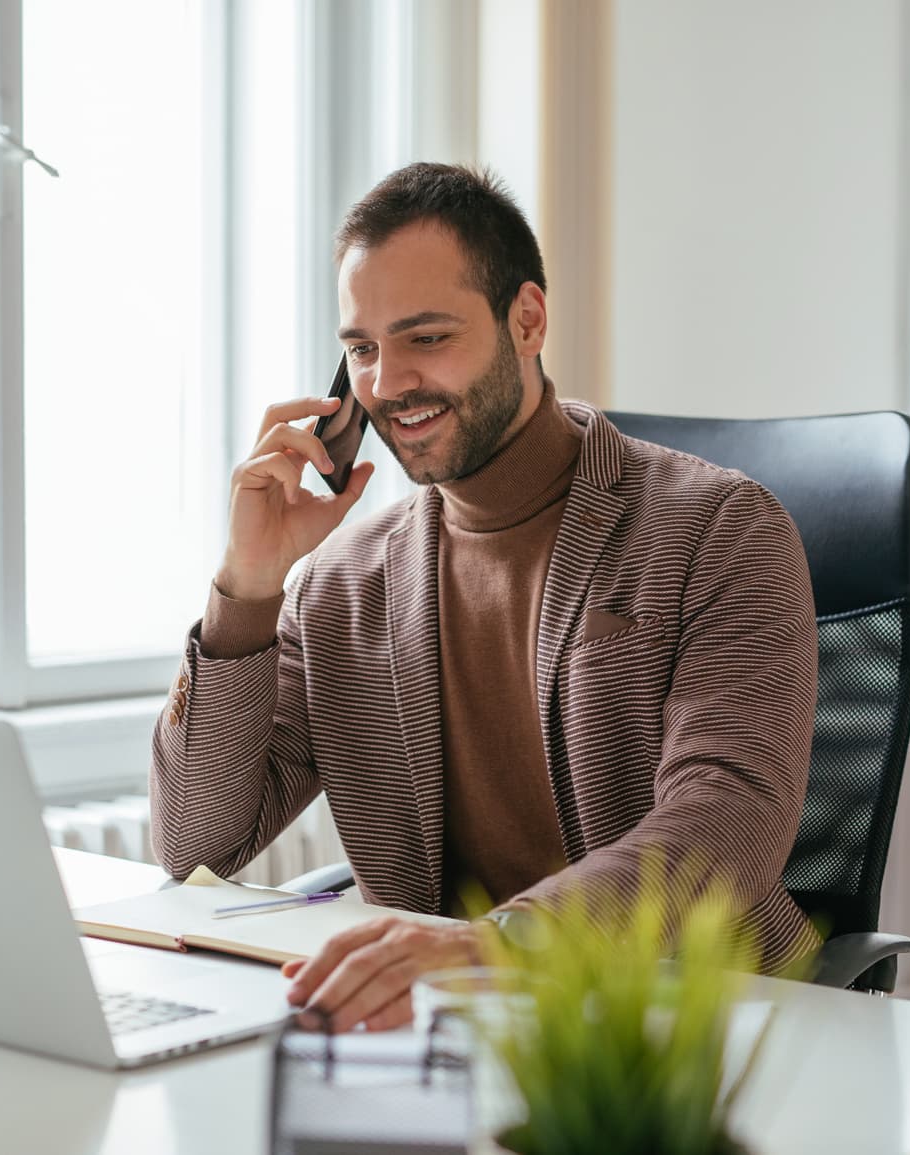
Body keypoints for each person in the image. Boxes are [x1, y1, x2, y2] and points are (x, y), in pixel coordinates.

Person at [150, 162, 819, 1032]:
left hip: (692, 1029)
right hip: (451, 1030)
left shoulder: (720, 529)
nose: (386, 384)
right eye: (361, 348)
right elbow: (196, 842)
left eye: (426, 337)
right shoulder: (340, 584)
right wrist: (247, 586)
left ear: (527, 320)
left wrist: (498, 943)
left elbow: (728, 821)